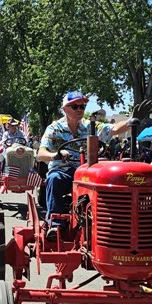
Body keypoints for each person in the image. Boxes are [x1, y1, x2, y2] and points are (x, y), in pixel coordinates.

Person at [37, 91, 141, 239]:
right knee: (54, 179)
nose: (80, 109)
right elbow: (41, 153)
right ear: (64, 109)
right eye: (75, 106)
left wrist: (131, 120)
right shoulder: (54, 128)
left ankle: (113, 223)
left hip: (86, 171)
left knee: (108, 182)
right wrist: (55, 155)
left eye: (82, 106)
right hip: (64, 171)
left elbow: (114, 129)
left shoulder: (89, 125)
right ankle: (56, 224)